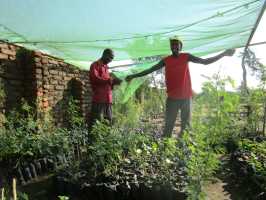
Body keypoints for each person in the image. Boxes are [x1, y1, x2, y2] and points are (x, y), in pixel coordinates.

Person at [126, 36, 235, 137]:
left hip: (186, 98)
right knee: (168, 126)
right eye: (172, 45)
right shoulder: (166, 60)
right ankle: (165, 147)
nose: (174, 46)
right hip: (172, 98)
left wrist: (223, 54)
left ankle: (183, 147)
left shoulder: (186, 56)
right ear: (170, 47)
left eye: (177, 44)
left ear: (180, 46)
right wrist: (133, 76)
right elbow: (150, 70)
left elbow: (204, 62)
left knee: (186, 126)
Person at [88, 48, 122, 133]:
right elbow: (95, 79)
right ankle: (92, 144)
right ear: (104, 55)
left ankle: (106, 143)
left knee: (108, 123)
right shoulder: (95, 65)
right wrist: (110, 80)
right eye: (110, 58)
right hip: (99, 100)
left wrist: (114, 83)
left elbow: (107, 83)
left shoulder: (106, 67)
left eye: (112, 58)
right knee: (96, 124)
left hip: (108, 100)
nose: (110, 60)